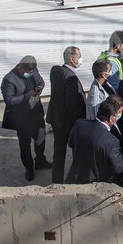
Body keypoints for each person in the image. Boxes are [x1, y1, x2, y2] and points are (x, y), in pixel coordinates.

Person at [1, 55, 49, 182]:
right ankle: (29, 167)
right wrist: (27, 96)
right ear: (21, 67)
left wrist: (39, 88)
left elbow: (41, 81)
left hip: (36, 113)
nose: (31, 74)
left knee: (41, 138)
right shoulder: (9, 79)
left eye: (32, 72)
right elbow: (10, 100)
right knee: (24, 144)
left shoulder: (33, 70)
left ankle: (40, 160)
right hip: (22, 117)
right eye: (28, 72)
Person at [46, 46, 87, 184]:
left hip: (56, 118)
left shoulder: (56, 71)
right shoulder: (71, 78)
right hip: (68, 122)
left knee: (59, 153)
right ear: (71, 59)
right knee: (77, 152)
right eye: (79, 57)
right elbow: (72, 104)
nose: (80, 60)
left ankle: (56, 181)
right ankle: (75, 179)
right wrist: (81, 120)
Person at [66, 96, 123, 185]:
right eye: (118, 114)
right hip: (96, 184)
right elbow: (118, 167)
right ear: (110, 118)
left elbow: (71, 144)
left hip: (75, 179)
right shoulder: (111, 141)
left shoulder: (79, 124)